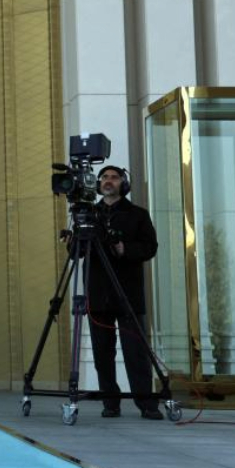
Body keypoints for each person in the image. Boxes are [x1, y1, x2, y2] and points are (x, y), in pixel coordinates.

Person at [88, 165, 162, 420]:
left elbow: (150, 247)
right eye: (105, 177)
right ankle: (111, 403)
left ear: (123, 183)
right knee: (102, 351)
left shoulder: (137, 215)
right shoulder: (89, 215)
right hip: (98, 294)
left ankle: (147, 404)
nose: (109, 181)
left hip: (128, 293)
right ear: (98, 183)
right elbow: (77, 253)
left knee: (135, 351)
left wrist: (124, 249)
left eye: (114, 177)